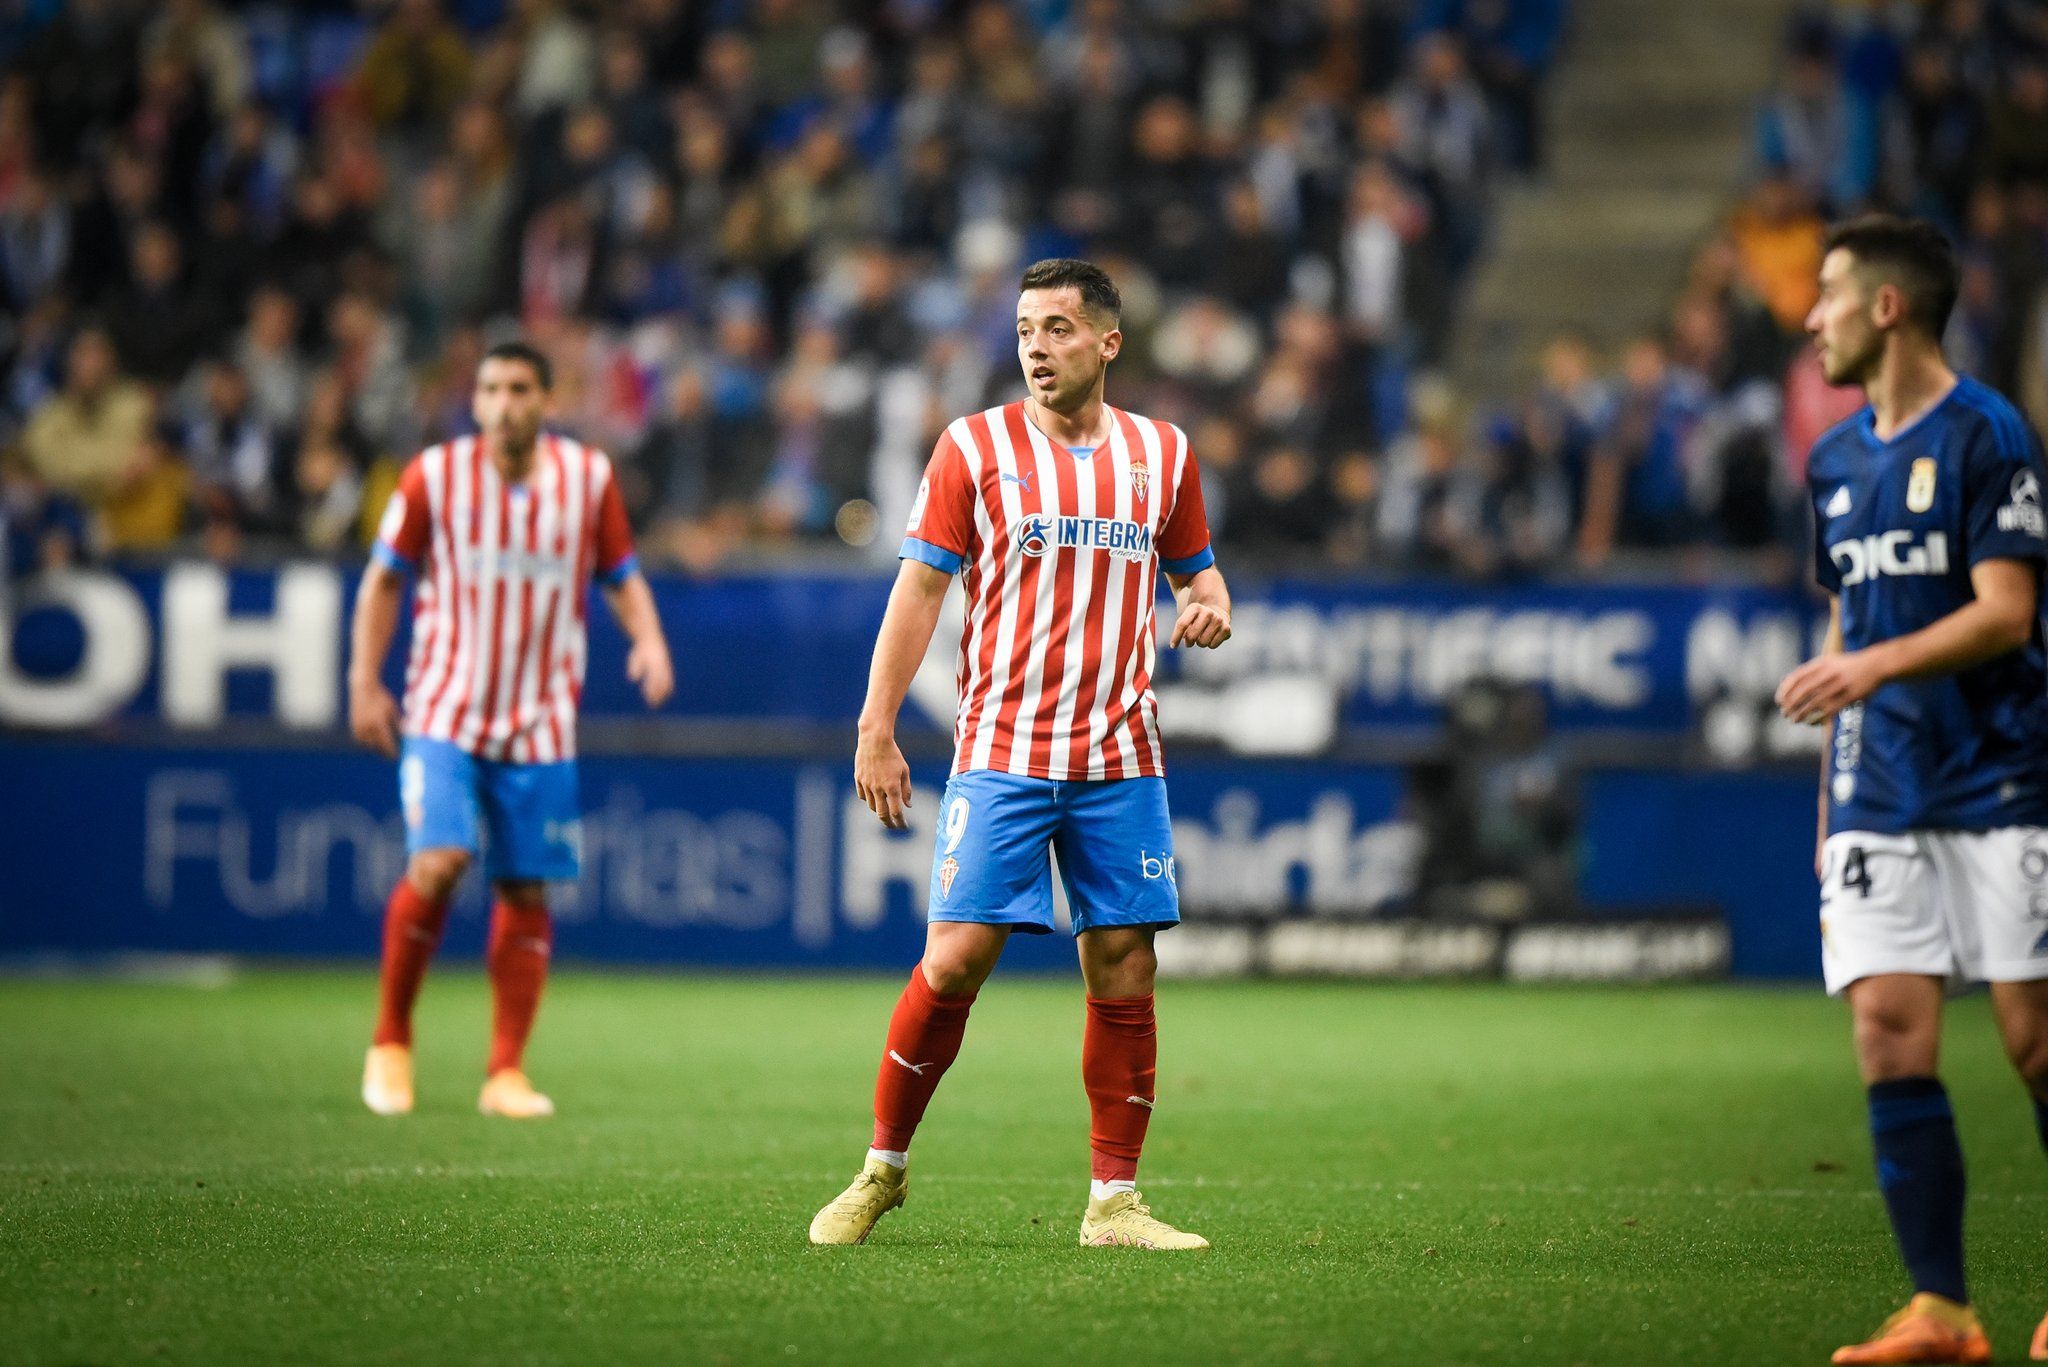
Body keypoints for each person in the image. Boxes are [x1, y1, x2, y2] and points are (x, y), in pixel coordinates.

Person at [808, 259, 1232, 1250]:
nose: (1035, 348)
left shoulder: (1161, 454)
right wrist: (876, 724)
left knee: (1124, 963)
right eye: (1024, 330)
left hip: (1121, 753)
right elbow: (916, 591)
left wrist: (1207, 606)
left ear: (1106, 342)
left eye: (1055, 329)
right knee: (953, 960)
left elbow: (1200, 577)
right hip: (1002, 748)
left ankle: (1112, 1202)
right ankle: (881, 1169)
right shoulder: (974, 447)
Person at [1775, 215, 2048, 1366]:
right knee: (1889, 1033)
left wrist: (1868, 666)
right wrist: (1832, 792)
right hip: (1877, 787)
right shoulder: (1830, 462)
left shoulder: (1987, 431)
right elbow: (1846, 618)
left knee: (2035, 1041)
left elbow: (2005, 610)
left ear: (1885, 306)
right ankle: (1939, 1309)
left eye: (1827, 294)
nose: (1808, 316)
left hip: (1998, 774)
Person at [348, 341, 674, 1119]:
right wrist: (365, 681)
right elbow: (384, 578)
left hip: (540, 722)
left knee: (528, 885)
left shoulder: (588, 479)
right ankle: (390, 1042)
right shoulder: (433, 476)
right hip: (444, 710)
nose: (502, 402)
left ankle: (505, 1072)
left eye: (519, 388)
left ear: (546, 400)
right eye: (490, 388)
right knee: (439, 860)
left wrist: (650, 640)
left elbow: (620, 573)